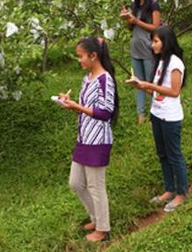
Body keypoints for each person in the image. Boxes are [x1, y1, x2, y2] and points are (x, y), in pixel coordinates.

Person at [57, 37, 119, 242]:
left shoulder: (105, 79)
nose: (79, 60)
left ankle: (103, 228)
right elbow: (87, 109)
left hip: (98, 140)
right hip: (84, 137)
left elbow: (105, 112)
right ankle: (96, 217)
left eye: (81, 56)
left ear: (93, 56)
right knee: (76, 183)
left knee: (95, 185)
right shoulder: (87, 79)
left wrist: (77, 107)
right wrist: (70, 104)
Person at [126, 26, 188, 212]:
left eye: (155, 41)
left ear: (165, 42)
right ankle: (169, 189)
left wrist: (148, 84)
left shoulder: (175, 63)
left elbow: (174, 91)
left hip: (170, 117)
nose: (152, 45)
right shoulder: (161, 62)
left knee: (174, 155)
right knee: (162, 154)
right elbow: (156, 90)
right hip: (157, 113)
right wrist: (141, 86)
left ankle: (181, 193)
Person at [120, 0, 161, 125]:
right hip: (136, 48)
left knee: (150, 83)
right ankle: (140, 115)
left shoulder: (154, 5)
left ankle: (154, 115)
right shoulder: (134, 5)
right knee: (137, 83)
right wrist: (128, 19)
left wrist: (136, 21)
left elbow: (156, 27)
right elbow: (132, 28)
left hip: (149, 48)